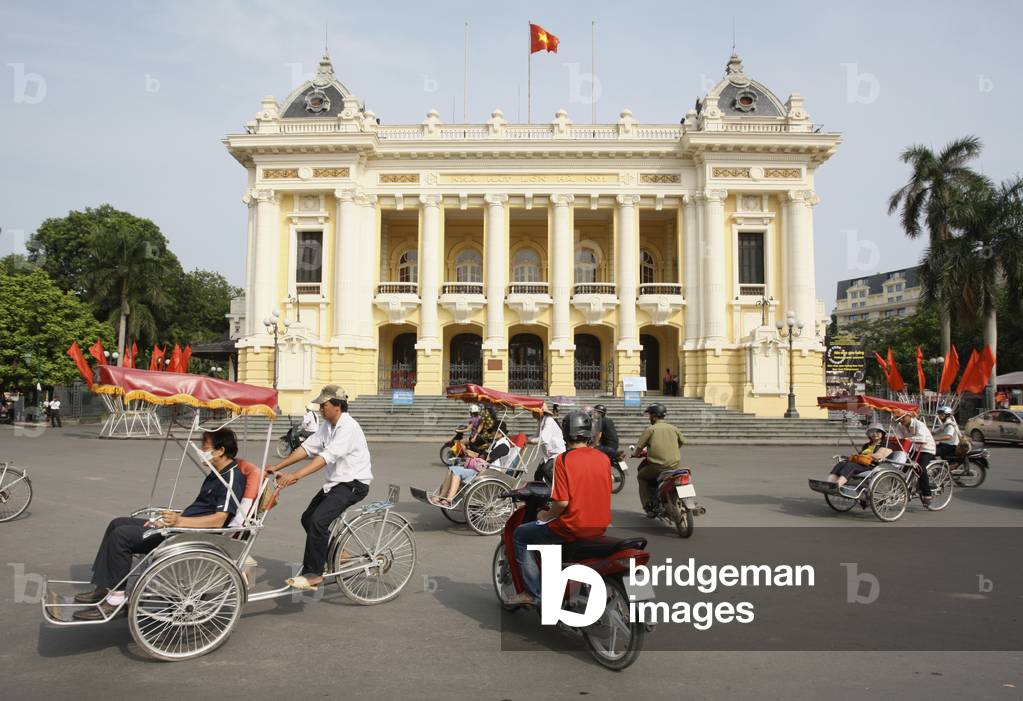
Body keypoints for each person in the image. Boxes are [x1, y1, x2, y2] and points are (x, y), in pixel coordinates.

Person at [72, 429, 245, 620]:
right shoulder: (215, 473)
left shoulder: (231, 478)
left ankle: (116, 601)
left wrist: (179, 521)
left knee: (122, 536)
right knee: (117, 523)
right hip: (182, 526)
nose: (200, 451)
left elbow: (219, 520)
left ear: (220, 450)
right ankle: (105, 588)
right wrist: (166, 520)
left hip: (192, 535)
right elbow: (199, 509)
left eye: (204, 448)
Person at [266, 385, 372, 591]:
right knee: (308, 518)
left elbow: (324, 458)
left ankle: (313, 573)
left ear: (338, 406)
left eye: (325, 405)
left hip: (353, 483)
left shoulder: (348, 427)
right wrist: (278, 467)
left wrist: (295, 475)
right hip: (336, 483)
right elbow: (306, 449)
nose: (321, 409)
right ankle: (340, 555)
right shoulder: (327, 426)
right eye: (321, 405)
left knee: (318, 521)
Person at [510, 411, 612, 605]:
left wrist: (544, 514)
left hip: (572, 527)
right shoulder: (603, 458)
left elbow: (562, 503)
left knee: (520, 535)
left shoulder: (563, 460)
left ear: (565, 433)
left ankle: (533, 593)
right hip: (600, 525)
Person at [430, 423, 513, 506]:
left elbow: (487, 458)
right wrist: (469, 452)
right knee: (451, 469)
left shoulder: (504, 445)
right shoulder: (496, 443)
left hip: (489, 472)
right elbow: (482, 455)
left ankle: (449, 499)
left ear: (500, 433)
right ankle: (441, 496)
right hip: (483, 468)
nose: (491, 434)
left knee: (456, 472)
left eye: (493, 432)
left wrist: (474, 455)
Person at [633, 403, 685, 517]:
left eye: (649, 415)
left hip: (657, 467)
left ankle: (648, 506)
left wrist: (635, 454)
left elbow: (639, 448)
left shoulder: (650, 429)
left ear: (654, 416)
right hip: (675, 466)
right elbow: (681, 442)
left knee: (641, 477)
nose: (649, 417)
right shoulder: (674, 428)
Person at [826, 423, 893, 487]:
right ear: (869, 434)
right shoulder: (866, 445)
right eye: (872, 432)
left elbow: (879, 455)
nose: (875, 434)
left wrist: (866, 456)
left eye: (878, 431)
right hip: (862, 463)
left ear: (882, 433)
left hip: (873, 465)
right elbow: (860, 456)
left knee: (850, 466)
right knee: (841, 464)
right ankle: (829, 484)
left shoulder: (885, 444)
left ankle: (837, 485)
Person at [892, 411, 935, 505]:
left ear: (909, 415)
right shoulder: (899, 425)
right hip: (912, 449)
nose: (901, 420)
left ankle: (927, 494)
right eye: (899, 418)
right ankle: (903, 489)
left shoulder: (919, 425)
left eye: (903, 417)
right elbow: (898, 438)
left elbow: (922, 438)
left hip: (926, 449)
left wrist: (907, 439)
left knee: (920, 468)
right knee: (901, 466)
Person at [532, 402, 565, 482]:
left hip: (557, 452)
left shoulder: (548, 420)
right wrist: (526, 439)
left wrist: (530, 441)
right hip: (548, 454)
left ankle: (559, 486)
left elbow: (544, 439)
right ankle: (543, 488)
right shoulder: (541, 421)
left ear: (540, 411)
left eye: (534, 411)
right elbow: (536, 436)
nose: (532, 413)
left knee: (546, 469)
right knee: (538, 475)